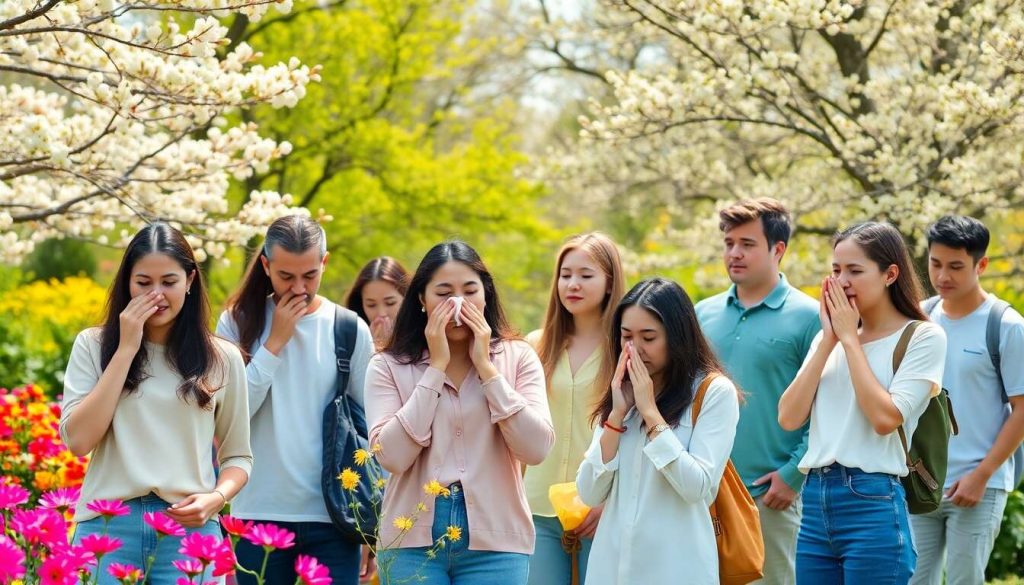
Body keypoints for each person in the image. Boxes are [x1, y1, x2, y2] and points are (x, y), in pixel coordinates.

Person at [62, 222, 251, 584]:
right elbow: (78, 441)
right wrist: (127, 349)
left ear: (190, 280)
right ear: (127, 283)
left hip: (189, 529)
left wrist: (216, 499)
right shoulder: (93, 345)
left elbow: (238, 456)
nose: (157, 294)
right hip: (108, 525)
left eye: (169, 282)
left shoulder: (222, 358)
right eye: (143, 283)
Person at [366, 240, 555, 585]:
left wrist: (486, 369)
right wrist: (435, 369)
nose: (457, 304)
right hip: (410, 542)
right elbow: (390, 456)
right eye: (443, 293)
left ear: (486, 296)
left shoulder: (518, 357)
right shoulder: (386, 365)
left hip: (497, 541)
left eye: (470, 291)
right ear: (421, 300)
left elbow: (536, 448)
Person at [779, 221, 947, 584]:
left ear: (890, 274)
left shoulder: (923, 337)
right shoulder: (831, 338)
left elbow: (885, 419)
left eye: (855, 271)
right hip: (815, 501)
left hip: (873, 500)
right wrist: (829, 340)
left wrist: (850, 343)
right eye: (836, 270)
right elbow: (789, 417)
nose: (841, 282)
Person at [216, 215, 374, 585]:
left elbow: (368, 433)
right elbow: (228, 419)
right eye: (286, 276)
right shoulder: (236, 324)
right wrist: (275, 343)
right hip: (257, 513)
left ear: (325, 262)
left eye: (310, 275)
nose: (299, 288)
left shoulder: (349, 328)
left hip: (334, 518)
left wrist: (370, 524)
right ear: (266, 265)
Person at [577, 277, 740, 585]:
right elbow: (589, 491)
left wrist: (651, 414)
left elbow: (697, 488)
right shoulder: (621, 393)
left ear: (677, 336)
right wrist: (616, 415)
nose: (635, 350)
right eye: (626, 336)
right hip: (611, 570)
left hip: (677, 569)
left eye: (648, 337)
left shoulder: (714, 392)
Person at [695, 198, 819, 585]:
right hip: (702, 490)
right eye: (729, 242)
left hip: (768, 496)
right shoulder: (702, 313)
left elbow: (828, 407)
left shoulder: (811, 316)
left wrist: (793, 474)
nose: (734, 253)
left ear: (777, 249)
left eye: (747, 244)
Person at [909, 215, 1024, 585]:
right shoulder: (919, 318)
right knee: (911, 579)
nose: (943, 276)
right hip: (920, 481)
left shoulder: (1005, 325)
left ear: (982, 265)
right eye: (936, 263)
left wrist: (982, 475)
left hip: (977, 484)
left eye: (956, 266)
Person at [525, 233, 626, 585]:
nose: (573, 284)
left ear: (610, 281)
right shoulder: (534, 345)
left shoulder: (626, 347)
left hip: (601, 507)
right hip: (536, 506)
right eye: (565, 274)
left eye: (586, 275)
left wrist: (606, 502)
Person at [346, 256, 410, 352]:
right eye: (371, 305)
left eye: (390, 303)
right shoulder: (348, 340)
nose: (381, 313)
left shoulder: (426, 336)